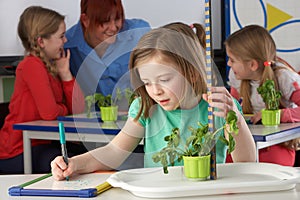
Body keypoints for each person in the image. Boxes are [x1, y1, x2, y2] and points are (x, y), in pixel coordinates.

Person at [51, 22, 256, 180]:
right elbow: (114, 151)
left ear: (191, 73)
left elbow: (248, 163)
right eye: (147, 82)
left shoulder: (218, 107)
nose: (155, 91)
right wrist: (74, 164)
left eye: (164, 80)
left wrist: (234, 118)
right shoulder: (146, 106)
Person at [0, 6, 85, 174]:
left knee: (84, 159)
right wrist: (63, 108)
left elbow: (79, 109)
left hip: (42, 144)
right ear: (41, 41)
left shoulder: (51, 67)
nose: (65, 41)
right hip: (18, 150)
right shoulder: (31, 65)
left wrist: (65, 73)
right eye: (61, 36)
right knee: (69, 166)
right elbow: (50, 113)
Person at [225, 24, 300, 166]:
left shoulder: (284, 78)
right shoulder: (237, 77)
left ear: (252, 65)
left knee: (261, 166)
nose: (228, 63)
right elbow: (233, 107)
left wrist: (279, 115)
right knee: (228, 161)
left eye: (232, 60)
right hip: (248, 142)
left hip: (278, 146)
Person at [65, 0, 151, 96]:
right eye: (105, 21)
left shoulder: (138, 32)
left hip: (136, 109)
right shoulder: (66, 44)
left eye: (118, 19)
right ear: (85, 20)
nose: (113, 28)